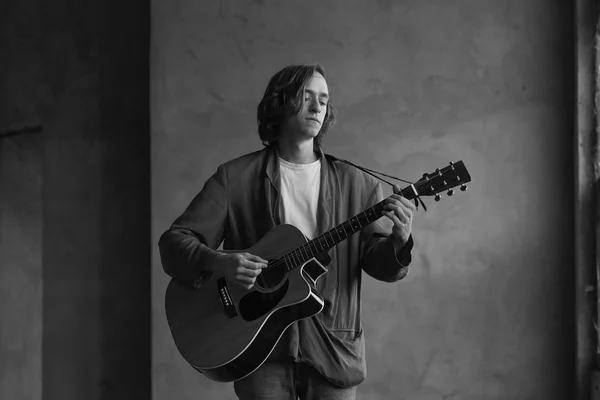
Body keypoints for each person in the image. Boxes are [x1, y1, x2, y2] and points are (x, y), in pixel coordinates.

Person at [158, 64, 416, 400]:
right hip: (259, 351)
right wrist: (221, 263)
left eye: (323, 99)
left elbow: (380, 264)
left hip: (333, 348)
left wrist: (400, 240)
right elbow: (174, 243)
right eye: (306, 96)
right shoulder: (235, 179)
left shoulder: (359, 184)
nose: (317, 106)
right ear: (279, 103)